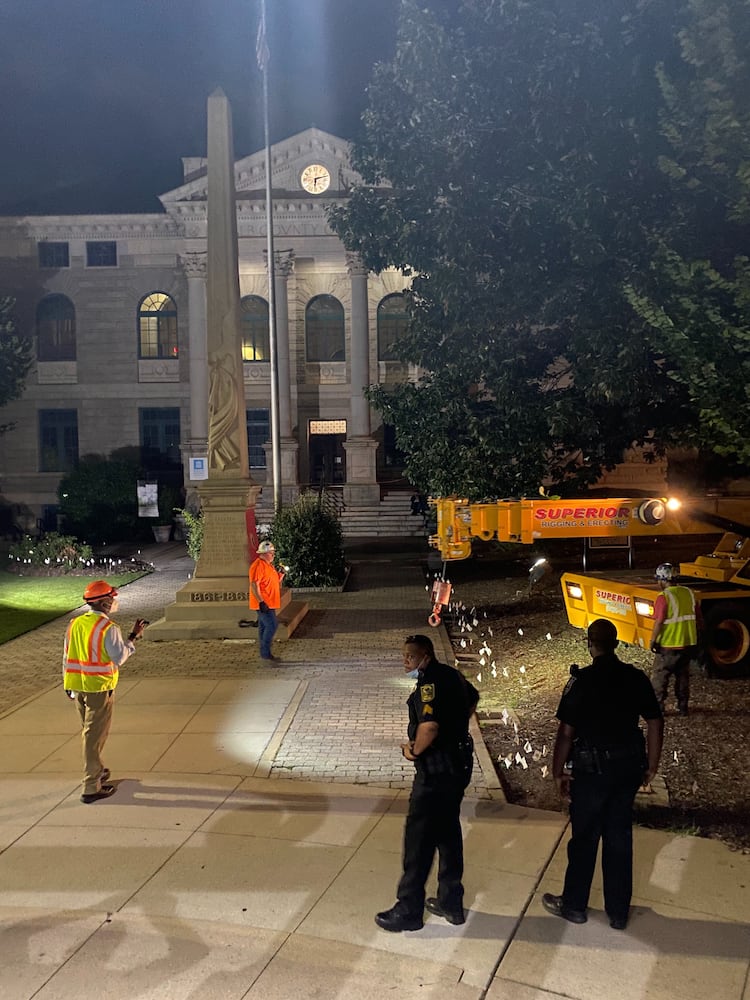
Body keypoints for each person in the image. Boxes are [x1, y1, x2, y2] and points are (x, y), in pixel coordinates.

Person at [543, 618, 663, 931]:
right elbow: (654, 721)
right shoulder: (635, 678)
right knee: (619, 838)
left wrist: (558, 771)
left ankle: (574, 906)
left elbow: (566, 733)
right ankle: (618, 912)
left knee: (584, 839)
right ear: (617, 643)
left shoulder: (581, 681)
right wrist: (652, 764)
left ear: (589, 643)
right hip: (626, 771)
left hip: (591, 773)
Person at [375, 634, 479, 932]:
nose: (405, 661)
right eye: (404, 656)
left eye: (410, 656)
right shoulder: (451, 675)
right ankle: (451, 902)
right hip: (458, 766)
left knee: (418, 841)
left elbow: (430, 727)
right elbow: (473, 698)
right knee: (447, 832)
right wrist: (456, 728)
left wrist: (413, 751)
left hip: (436, 771)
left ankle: (408, 909)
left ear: (425, 655)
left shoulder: (429, 685)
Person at [63, 580, 146, 803]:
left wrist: (67, 685)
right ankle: (91, 785)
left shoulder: (75, 624)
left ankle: (97, 770)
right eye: (113, 597)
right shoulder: (109, 628)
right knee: (93, 736)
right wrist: (133, 637)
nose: (115, 601)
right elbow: (119, 657)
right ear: (105, 602)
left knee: (89, 732)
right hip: (99, 688)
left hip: (77, 686)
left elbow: (66, 655)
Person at [650, 562, 699, 716]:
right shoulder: (689, 593)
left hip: (669, 644)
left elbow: (659, 621)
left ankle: (658, 708)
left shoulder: (663, 597)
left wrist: (653, 640)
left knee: (659, 677)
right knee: (683, 676)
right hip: (687, 643)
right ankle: (683, 706)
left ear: (662, 580)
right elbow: (699, 618)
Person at [249, 540, 285, 661]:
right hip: (264, 603)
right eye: (271, 553)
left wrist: (281, 574)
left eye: (273, 553)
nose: (273, 555)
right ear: (263, 553)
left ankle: (265, 652)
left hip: (269, 602)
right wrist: (261, 601)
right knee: (272, 625)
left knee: (264, 627)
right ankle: (265, 651)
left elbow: (273, 581)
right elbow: (254, 584)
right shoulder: (258, 566)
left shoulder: (268, 565)